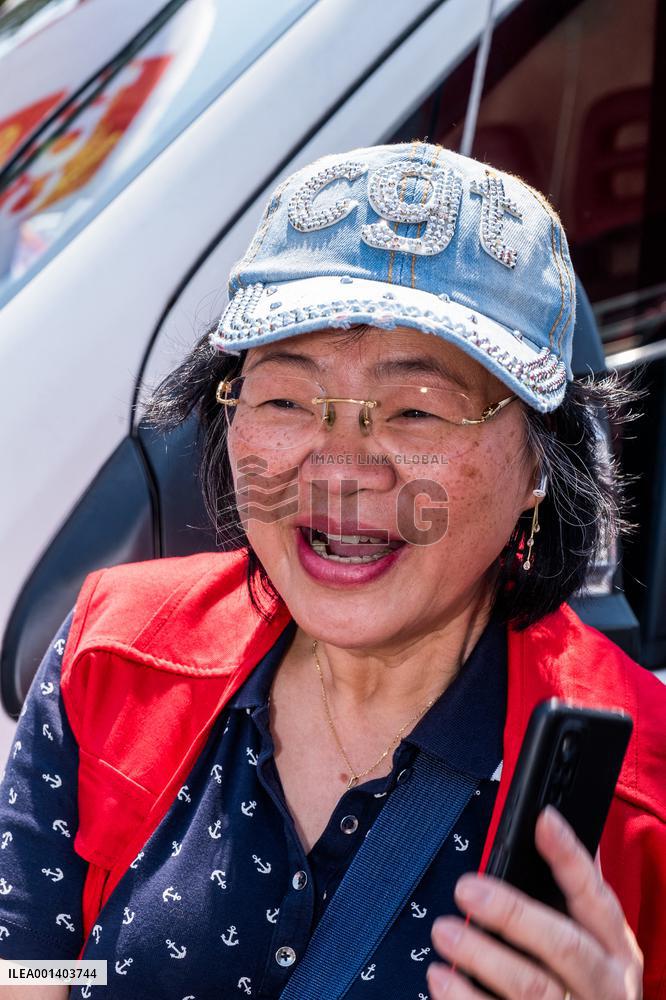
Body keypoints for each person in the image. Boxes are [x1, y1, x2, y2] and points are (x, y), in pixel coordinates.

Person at [0, 142, 662, 1000]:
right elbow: (28, 960)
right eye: (283, 399)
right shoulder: (115, 652)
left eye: (418, 411)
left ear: (541, 463)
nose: (341, 471)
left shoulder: (641, 799)